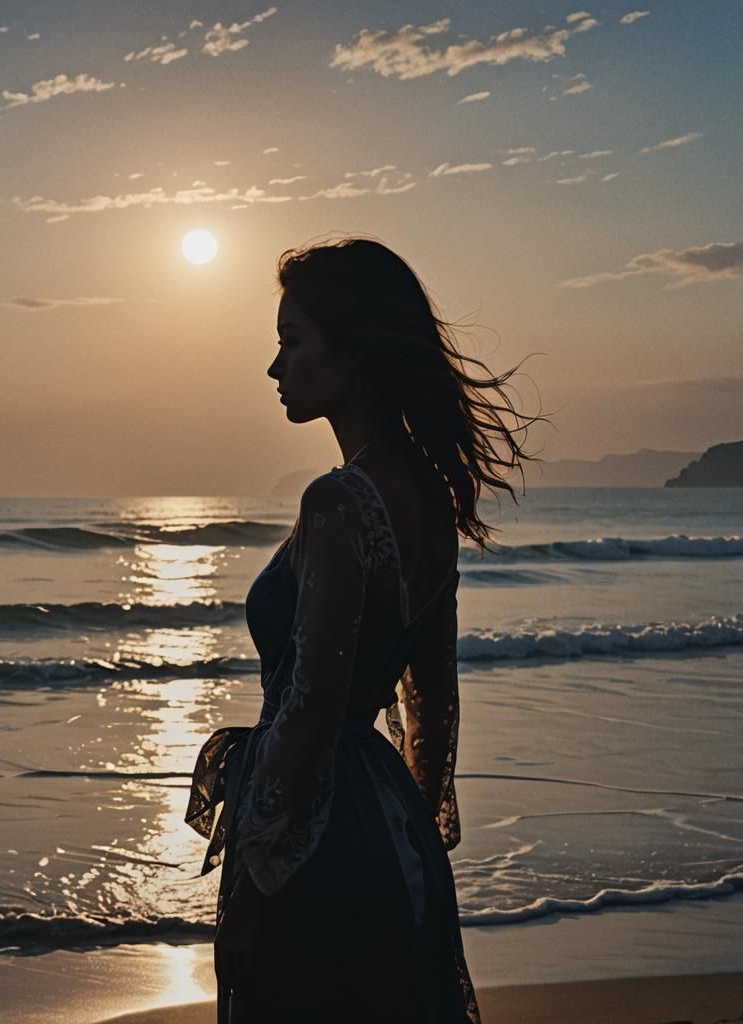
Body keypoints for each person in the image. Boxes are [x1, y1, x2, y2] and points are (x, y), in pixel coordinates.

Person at [185, 236, 543, 1022]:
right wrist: (411, 836)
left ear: (350, 354)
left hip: (312, 847)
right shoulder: (431, 501)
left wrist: (253, 886)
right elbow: (433, 705)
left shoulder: (339, 501)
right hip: (387, 825)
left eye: (292, 342)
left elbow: (311, 709)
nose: (275, 368)